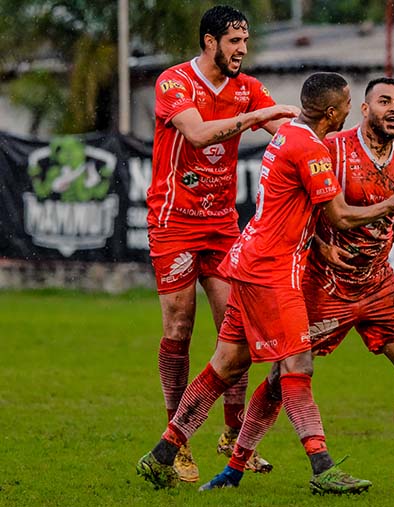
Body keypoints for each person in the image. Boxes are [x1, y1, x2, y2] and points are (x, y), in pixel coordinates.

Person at [137, 72, 394, 495]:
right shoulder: (310, 147)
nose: (345, 111)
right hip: (272, 271)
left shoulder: (288, 135)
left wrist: (318, 244)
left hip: (249, 260)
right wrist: (389, 204)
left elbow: (292, 206)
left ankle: (162, 454)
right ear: (332, 112)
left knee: (226, 364)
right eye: (344, 104)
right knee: (297, 366)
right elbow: (339, 215)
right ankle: (322, 467)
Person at [207, 77, 394, 494]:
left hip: (377, 285)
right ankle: (234, 468)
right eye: (384, 101)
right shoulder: (331, 149)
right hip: (324, 286)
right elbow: (304, 210)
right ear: (363, 110)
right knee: (284, 376)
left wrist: (377, 243)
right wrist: (323, 244)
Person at [145, 4, 299, 482]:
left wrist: (330, 140)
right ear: (210, 42)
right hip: (173, 221)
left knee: (240, 333)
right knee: (178, 329)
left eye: (245, 41)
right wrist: (260, 114)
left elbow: (288, 134)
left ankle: (234, 437)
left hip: (220, 224)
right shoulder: (174, 82)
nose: (243, 50)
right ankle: (179, 441)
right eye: (235, 41)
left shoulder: (248, 89)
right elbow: (196, 134)